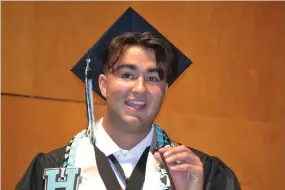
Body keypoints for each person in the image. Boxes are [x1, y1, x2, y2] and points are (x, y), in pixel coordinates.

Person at [16, 32, 241, 190]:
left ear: (164, 90)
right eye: (127, 75)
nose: (140, 88)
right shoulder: (52, 171)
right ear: (103, 85)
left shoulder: (199, 173)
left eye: (152, 78)